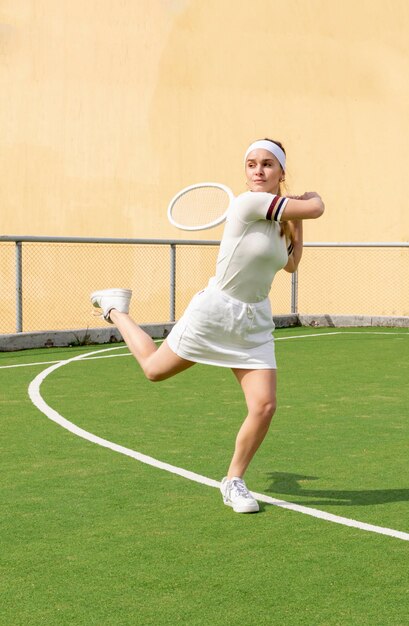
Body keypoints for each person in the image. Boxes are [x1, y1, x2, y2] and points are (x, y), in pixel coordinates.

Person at [90, 138, 324, 513]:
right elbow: (317, 207)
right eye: (251, 164)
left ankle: (233, 480)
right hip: (215, 312)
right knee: (153, 371)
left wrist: (294, 216)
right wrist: (309, 201)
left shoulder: (279, 221)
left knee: (264, 406)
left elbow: (292, 263)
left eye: (267, 164)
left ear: (281, 172)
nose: (258, 171)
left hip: (254, 322)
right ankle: (115, 309)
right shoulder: (248, 203)